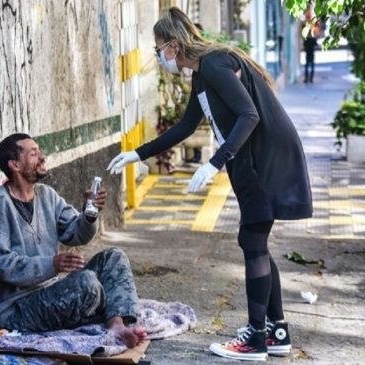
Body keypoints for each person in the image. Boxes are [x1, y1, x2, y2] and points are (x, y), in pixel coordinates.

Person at [107, 7, 312, 362]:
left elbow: (250, 115)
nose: (159, 58)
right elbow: (186, 126)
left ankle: (255, 339)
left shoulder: (215, 64)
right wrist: (137, 154)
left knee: (252, 239)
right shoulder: (201, 74)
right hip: (253, 158)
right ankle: (276, 332)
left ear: (174, 45)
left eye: (159, 50)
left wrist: (214, 163)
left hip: (265, 157)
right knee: (255, 240)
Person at [0, 133, 147, 348]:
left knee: (113, 258)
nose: (42, 156)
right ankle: (103, 312)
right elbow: (0, 263)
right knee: (87, 284)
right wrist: (52, 264)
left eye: (40, 151)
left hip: (50, 292)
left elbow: (75, 233)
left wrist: (89, 214)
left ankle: (116, 324)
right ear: (15, 165)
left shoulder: (46, 195)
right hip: (15, 310)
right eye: (33, 153)